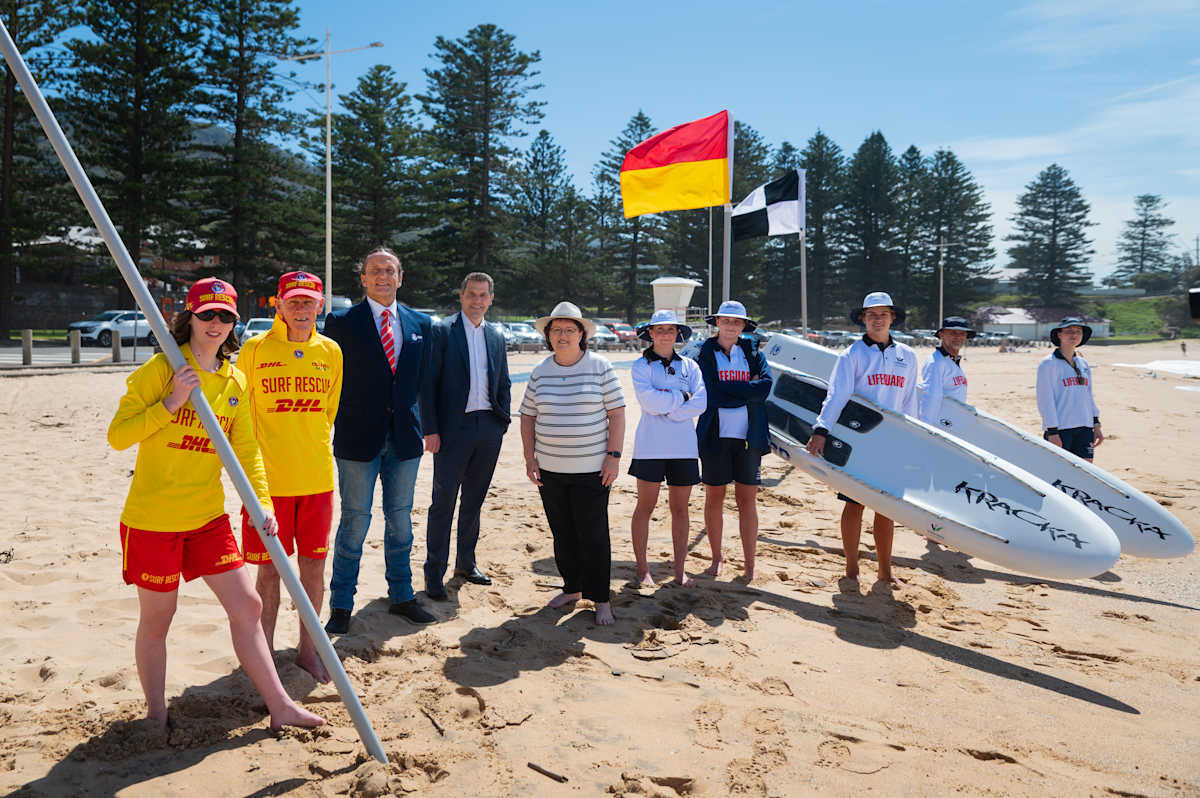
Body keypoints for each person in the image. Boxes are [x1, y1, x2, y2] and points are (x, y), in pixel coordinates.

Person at [107, 277, 323, 732]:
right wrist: (172, 402)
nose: (217, 324)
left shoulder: (233, 380)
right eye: (208, 314)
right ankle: (156, 714)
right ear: (190, 317)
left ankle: (280, 706)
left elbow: (246, 453)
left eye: (226, 316)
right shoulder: (162, 370)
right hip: (153, 520)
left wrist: (262, 502)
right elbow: (118, 436)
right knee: (159, 618)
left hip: (207, 518)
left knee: (246, 605)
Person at [322, 248, 434, 633]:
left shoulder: (422, 323)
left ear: (400, 278)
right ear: (363, 279)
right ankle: (340, 606)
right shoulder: (339, 322)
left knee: (401, 522)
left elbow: (426, 383)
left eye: (389, 270)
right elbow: (329, 381)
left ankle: (402, 596)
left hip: (405, 440)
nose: (382, 276)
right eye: (374, 271)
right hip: (357, 439)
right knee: (354, 522)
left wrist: (430, 427)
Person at [237, 271, 342, 683]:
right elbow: (240, 415)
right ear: (277, 305)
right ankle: (263, 655)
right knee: (267, 573)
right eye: (293, 302)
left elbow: (328, 412)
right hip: (267, 484)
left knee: (314, 569)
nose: (301, 309)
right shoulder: (254, 349)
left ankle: (307, 650)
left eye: (308, 302)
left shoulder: (331, 351)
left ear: (320, 306)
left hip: (316, 479)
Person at [520, 301, 625, 625]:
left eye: (569, 329)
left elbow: (617, 414)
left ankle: (601, 599)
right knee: (562, 533)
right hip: (550, 469)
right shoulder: (540, 372)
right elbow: (527, 416)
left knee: (593, 536)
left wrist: (613, 457)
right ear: (548, 336)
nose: (562, 335)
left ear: (582, 334)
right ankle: (572, 588)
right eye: (556, 330)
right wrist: (529, 456)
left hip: (592, 471)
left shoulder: (600, 366)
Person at [806, 292, 918, 587]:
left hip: (893, 442)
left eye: (883, 314)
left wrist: (916, 439)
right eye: (872, 314)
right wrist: (821, 430)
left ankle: (885, 571)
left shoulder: (908, 356)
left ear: (892, 318)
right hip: (859, 439)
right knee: (854, 504)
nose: (877, 319)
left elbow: (909, 403)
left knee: (886, 507)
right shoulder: (852, 354)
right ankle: (852, 568)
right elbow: (837, 395)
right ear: (863, 319)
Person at [420, 272, 511, 600]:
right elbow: (427, 384)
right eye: (471, 294)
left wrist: (502, 422)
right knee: (442, 503)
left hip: (488, 428)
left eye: (483, 295)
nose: (477, 300)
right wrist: (430, 429)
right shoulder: (442, 330)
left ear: (490, 299)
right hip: (452, 431)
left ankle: (465, 563)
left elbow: (503, 382)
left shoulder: (497, 335)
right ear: (461, 296)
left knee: (474, 500)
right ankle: (434, 573)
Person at [694, 300, 773, 581]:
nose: (730, 326)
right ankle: (717, 558)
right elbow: (709, 393)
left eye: (736, 322)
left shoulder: (752, 352)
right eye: (725, 321)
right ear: (717, 323)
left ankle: (750, 563)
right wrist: (744, 389)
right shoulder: (703, 352)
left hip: (748, 438)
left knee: (747, 500)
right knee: (715, 497)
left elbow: (764, 388)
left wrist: (728, 388)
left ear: (743, 326)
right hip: (714, 436)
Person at [628, 309, 707, 587]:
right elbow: (649, 402)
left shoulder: (690, 366)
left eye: (670, 329)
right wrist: (680, 399)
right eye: (659, 329)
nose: (664, 334)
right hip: (650, 447)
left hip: (684, 448)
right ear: (650, 333)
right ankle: (642, 568)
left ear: (677, 334)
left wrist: (671, 409)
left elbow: (701, 402)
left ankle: (679, 570)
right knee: (645, 507)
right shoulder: (641, 366)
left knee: (681, 510)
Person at [1036, 317, 1103, 463]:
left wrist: (1096, 424)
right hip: (1061, 428)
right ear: (1059, 334)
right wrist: (1052, 431)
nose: (1074, 335)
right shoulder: (1048, 364)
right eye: (1069, 331)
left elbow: (1088, 396)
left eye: (1078, 331)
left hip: (1085, 427)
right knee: (1058, 471)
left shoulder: (1083, 363)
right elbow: (1045, 400)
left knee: (1086, 470)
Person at [918, 316, 974, 427]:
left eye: (962, 334)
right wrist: (927, 428)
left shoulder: (953, 362)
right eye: (953, 333)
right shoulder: (936, 362)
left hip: (953, 424)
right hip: (940, 425)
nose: (958, 337)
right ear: (941, 335)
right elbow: (931, 398)